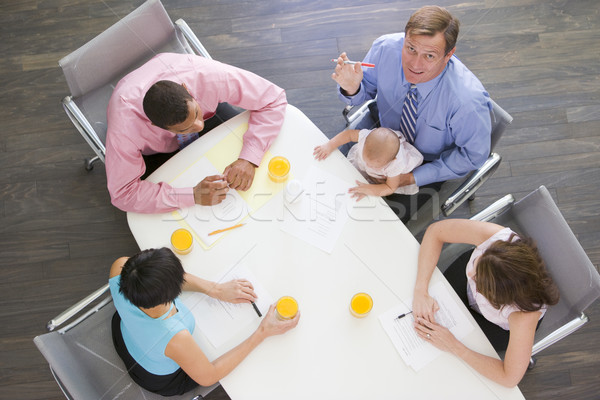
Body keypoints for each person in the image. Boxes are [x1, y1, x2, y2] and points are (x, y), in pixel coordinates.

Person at [332, 6, 491, 219]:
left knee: (376, 224)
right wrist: (352, 88)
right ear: (405, 38)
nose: (414, 65)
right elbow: (365, 91)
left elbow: (473, 156)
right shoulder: (385, 49)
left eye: (429, 56)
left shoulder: (468, 103)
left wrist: (410, 177)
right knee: (330, 182)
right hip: (378, 138)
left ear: (449, 54)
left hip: (423, 164)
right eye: (411, 49)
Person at [105, 52, 287, 213]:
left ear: (186, 88)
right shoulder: (124, 131)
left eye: (197, 114)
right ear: (155, 125)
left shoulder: (207, 75)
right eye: (187, 128)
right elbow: (122, 194)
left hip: (213, 116)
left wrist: (249, 158)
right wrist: (191, 195)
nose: (199, 126)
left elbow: (273, 98)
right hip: (159, 152)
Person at [109, 247, 299, 396]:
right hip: (156, 376)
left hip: (124, 334)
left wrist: (215, 290)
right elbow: (208, 376)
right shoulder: (174, 337)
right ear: (171, 294)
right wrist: (262, 332)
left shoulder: (121, 267)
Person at [411, 219, 559, 387]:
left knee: (444, 366)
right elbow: (435, 231)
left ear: (500, 299)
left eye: (479, 282)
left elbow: (509, 378)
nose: (471, 273)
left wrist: (455, 347)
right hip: (470, 289)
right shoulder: (496, 237)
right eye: (477, 262)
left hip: (494, 325)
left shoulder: (524, 315)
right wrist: (421, 290)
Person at [313, 127, 423, 199]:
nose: (369, 166)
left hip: (385, 176)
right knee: (346, 174)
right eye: (367, 160)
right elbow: (349, 135)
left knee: (374, 190)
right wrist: (330, 145)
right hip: (377, 145)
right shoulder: (365, 136)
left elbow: (390, 187)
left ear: (392, 160)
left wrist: (369, 189)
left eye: (375, 165)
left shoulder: (396, 164)